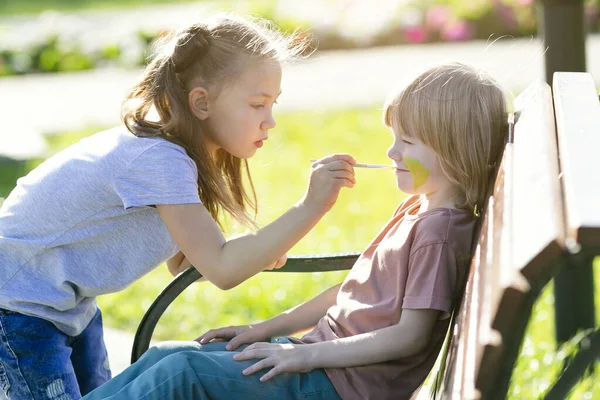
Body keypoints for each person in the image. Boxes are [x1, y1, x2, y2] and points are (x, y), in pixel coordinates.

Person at [80, 61, 509, 400]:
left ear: (454, 148)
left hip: (337, 386)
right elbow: (351, 292)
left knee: (181, 373)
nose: (391, 151)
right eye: (395, 137)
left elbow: (410, 336)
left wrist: (303, 355)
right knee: (168, 355)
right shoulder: (419, 208)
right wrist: (265, 329)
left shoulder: (437, 233)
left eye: (409, 142)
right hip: (324, 365)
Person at [0, 13, 357, 400]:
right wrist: (312, 205)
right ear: (201, 103)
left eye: (273, 104)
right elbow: (220, 267)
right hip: (19, 310)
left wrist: (256, 252)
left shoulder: (180, 157)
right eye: (257, 105)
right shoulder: (160, 159)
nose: (269, 121)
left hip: (62, 308)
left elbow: (188, 264)